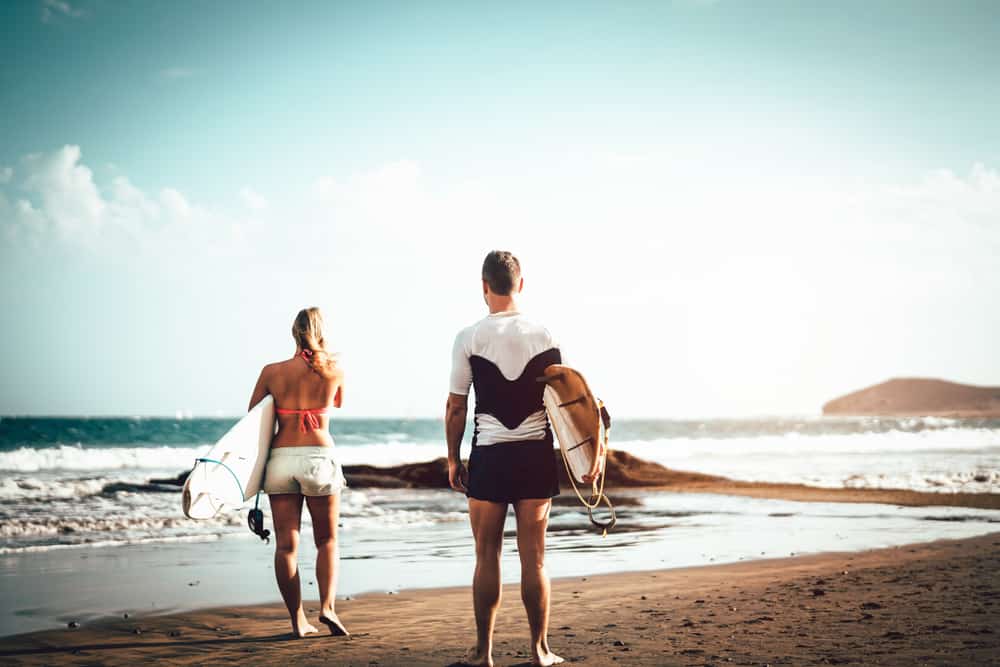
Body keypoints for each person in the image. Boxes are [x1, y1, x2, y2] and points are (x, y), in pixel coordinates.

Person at [446, 250, 564, 667]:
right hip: (534, 455)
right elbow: (561, 401)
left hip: (490, 457)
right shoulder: (545, 334)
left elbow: (456, 407)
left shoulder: (469, 337)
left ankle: (484, 654)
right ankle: (540, 651)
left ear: (484, 287)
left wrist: (452, 459)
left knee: (486, 556)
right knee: (534, 559)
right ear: (521, 284)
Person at [249, 307, 349, 638]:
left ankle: (297, 622)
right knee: (327, 541)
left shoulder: (271, 371)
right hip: (318, 457)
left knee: (285, 547)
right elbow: (337, 403)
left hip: (280, 460)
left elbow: (253, 418)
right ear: (322, 332)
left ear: (293, 333)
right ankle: (327, 608)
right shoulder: (334, 370)